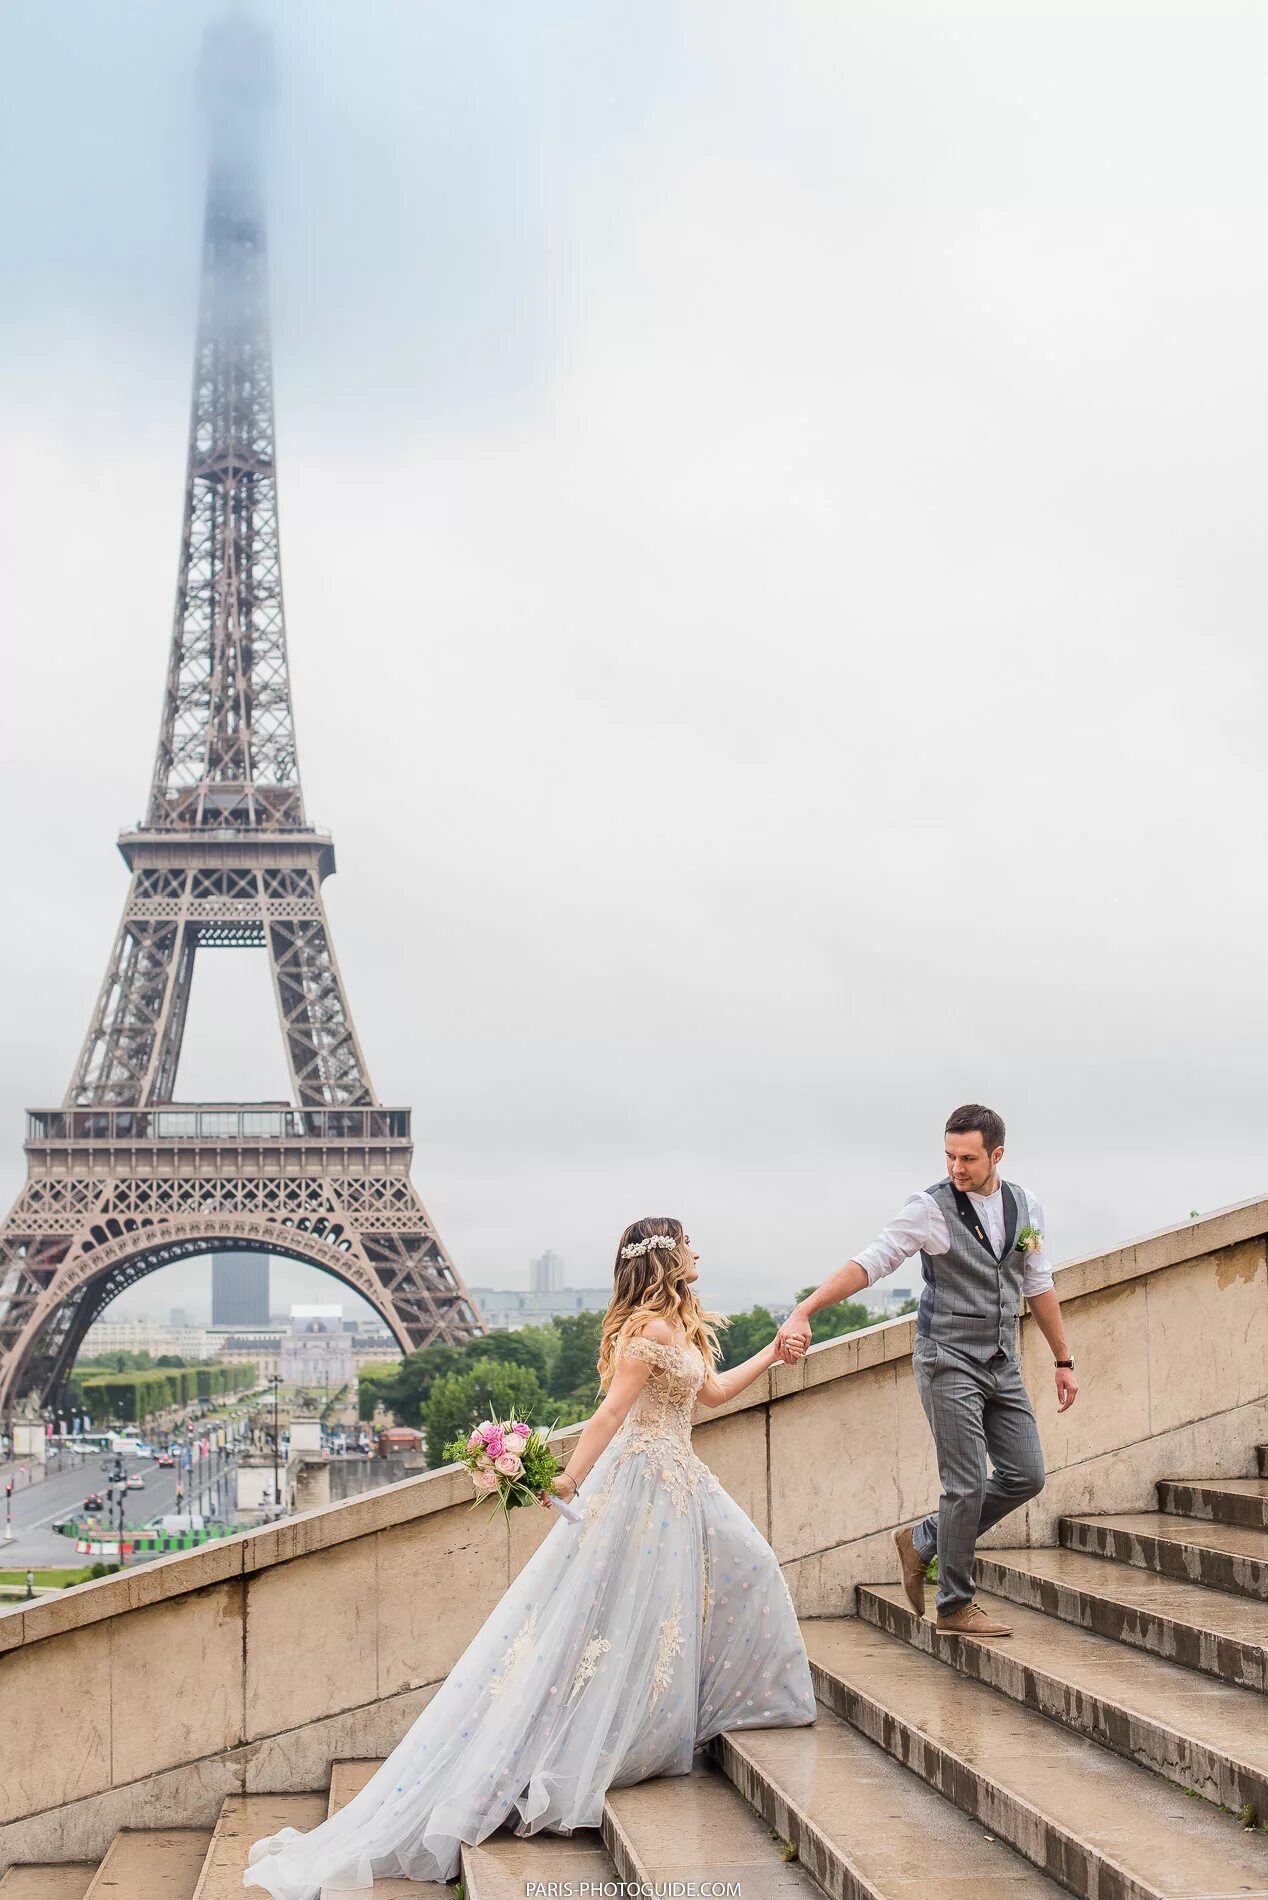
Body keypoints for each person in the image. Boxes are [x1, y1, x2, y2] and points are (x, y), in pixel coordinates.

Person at [243, 1217, 814, 1896]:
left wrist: (775, 1354)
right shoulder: (650, 1333)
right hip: (644, 1490)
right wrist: (569, 1479)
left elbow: (713, 1395)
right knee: (626, 1617)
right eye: (688, 1242)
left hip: (679, 1486)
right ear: (666, 1256)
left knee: (685, 1598)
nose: (699, 1250)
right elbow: (608, 1417)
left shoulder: (678, 1327)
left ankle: (684, 1718)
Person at [776, 1104, 1078, 1638]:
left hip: (1003, 1360)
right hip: (947, 1359)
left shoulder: (1025, 1205)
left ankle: (923, 1539)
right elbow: (872, 1262)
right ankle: (955, 1604)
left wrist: (1062, 1359)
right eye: (949, 1155)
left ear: (996, 1155)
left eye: (968, 1158)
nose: (956, 1167)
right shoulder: (929, 1207)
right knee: (963, 1482)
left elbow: (1038, 1283)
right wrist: (805, 1309)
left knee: (1027, 1474)